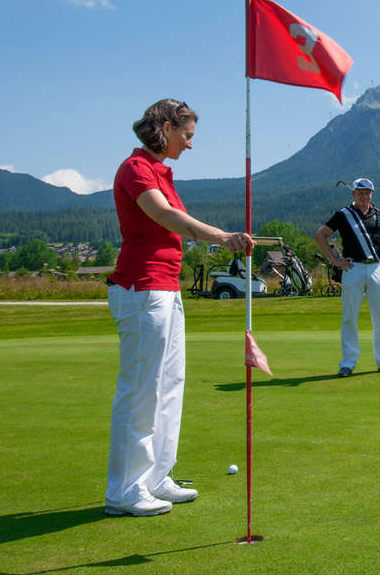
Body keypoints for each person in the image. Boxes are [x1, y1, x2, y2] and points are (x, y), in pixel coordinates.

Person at [105, 99, 255, 517]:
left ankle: (155, 477)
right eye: (187, 135)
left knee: (170, 386)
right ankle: (124, 491)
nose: (190, 145)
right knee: (141, 392)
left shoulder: (162, 172)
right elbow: (165, 216)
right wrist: (222, 237)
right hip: (141, 289)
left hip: (166, 289)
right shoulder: (135, 169)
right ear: (167, 127)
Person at [314, 178, 380, 376]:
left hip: (377, 267)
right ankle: (348, 363)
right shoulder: (343, 215)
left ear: (372, 194)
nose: (365, 196)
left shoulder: (379, 215)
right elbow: (320, 235)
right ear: (353, 194)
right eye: (361, 193)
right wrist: (335, 260)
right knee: (349, 317)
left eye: (368, 192)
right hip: (353, 267)